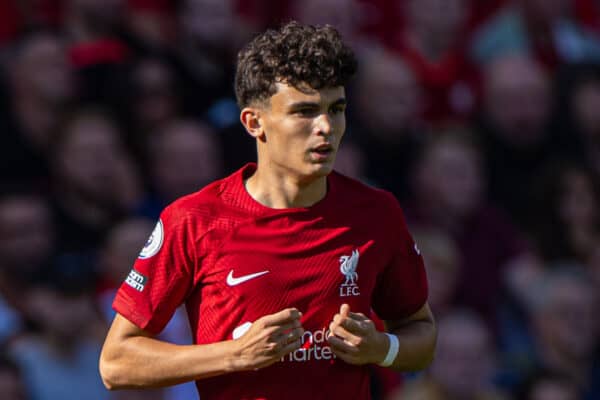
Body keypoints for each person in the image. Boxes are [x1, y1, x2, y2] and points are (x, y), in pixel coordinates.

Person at [99, 21, 436, 399]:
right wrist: (235, 355)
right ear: (254, 122)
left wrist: (382, 349)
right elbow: (117, 362)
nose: (325, 126)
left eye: (336, 109)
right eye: (304, 112)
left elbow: (420, 333)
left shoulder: (376, 212)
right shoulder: (195, 220)